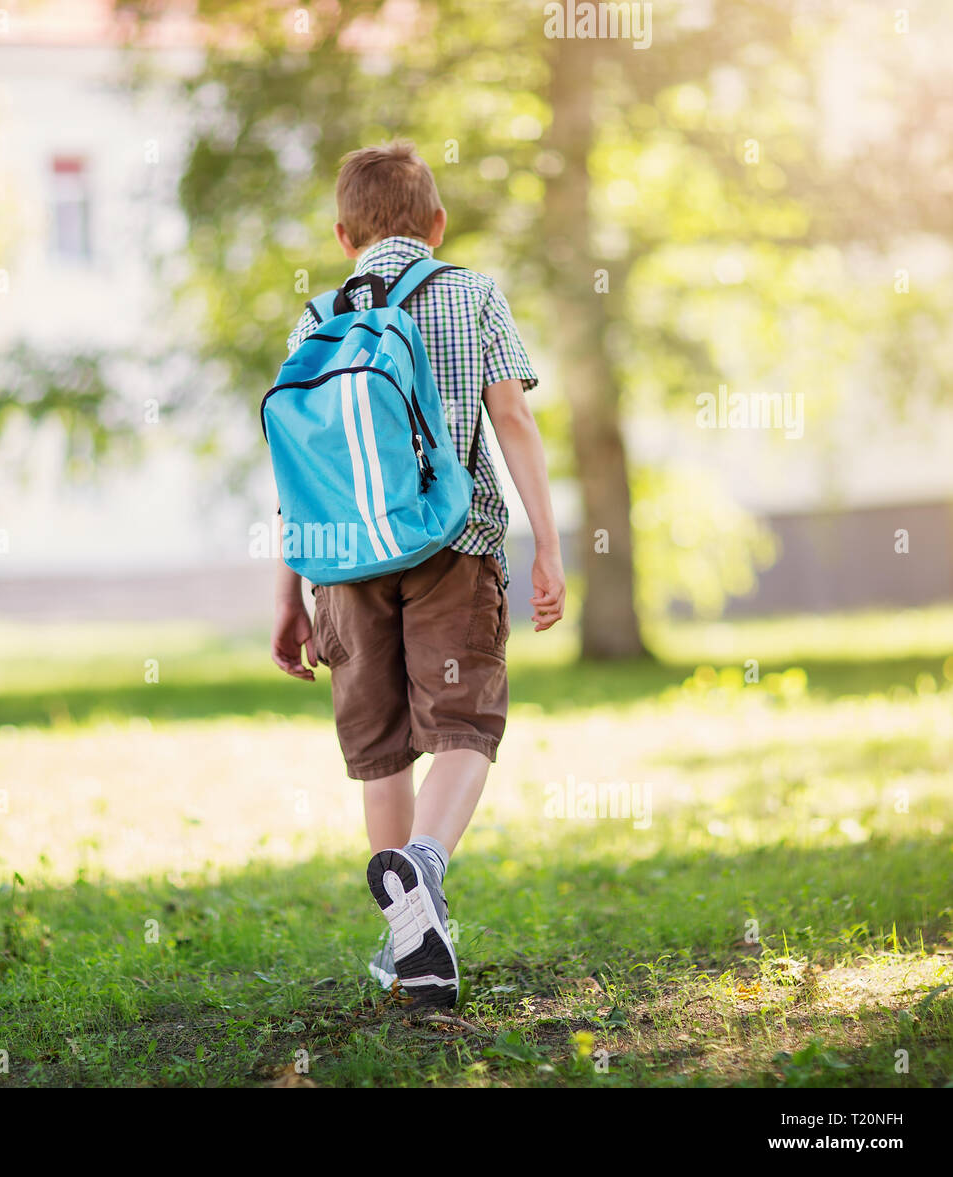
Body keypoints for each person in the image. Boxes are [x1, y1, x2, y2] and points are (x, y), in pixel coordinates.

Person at [270, 139, 566, 1008]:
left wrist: (289, 593)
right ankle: (424, 869)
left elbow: (294, 466)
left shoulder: (314, 317)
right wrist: (549, 545)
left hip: (343, 563)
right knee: (466, 728)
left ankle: (408, 950)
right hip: (453, 544)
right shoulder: (473, 292)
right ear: (438, 224)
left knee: (382, 752)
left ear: (341, 233)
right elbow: (512, 418)